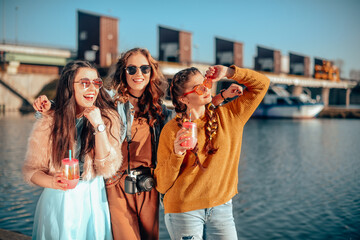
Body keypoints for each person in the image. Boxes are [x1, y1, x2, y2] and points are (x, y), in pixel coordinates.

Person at [33, 48, 235, 240]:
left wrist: (220, 97)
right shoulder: (110, 101)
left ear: (151, 72)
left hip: (149, 185)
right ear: (124, 72)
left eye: (145, 68)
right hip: (116, 184)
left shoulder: (159, 109)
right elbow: (81, 102)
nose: (139, 73)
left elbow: (190, 109)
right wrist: (51, 106)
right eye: (132, 69)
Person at [154, 64, 270, 239]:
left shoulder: (231, 116)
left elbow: (262, 83)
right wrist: (177, 154)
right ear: (184, 99)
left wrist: (229, 73)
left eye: (206, 84)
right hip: (184, 210)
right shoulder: (171, 130)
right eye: (199, 88)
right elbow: (162, 184)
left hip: (222, 207)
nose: (206, 89)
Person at [23, 60, 123, 240]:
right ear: (70, 86)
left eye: (96, 83)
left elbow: (107, 167)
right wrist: (53, 182)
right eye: (85, 83)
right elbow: (31, 171)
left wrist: (98, 125)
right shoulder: (50, 120)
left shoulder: (107, 118)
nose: (92, 88)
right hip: (59, 201)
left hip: (93, 199)